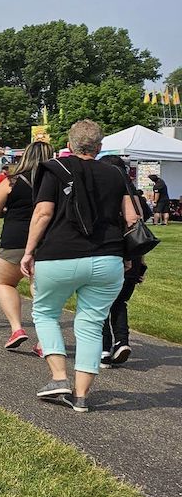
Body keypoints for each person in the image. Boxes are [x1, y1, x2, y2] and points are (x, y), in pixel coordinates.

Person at [21, 120, 140, 413]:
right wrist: (129, 256)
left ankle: (59, 377)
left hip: (60, 254)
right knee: (90, 324)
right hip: (108, 258)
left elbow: (43, 212)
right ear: (99, 147)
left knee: (46, 312)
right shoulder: (115, 174)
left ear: (70, 144)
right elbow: (132, 218)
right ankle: (82, 396)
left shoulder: (55, 169)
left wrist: (28, 251)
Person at [0, 140, 53, 350]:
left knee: (5, 283)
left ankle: (17, 328)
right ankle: (45, 340)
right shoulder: (55, 181)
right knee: (43, 293)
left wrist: (8, 210)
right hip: (47, 241)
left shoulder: (11, 182)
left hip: (15, 240)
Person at [100, 155, 146, 367]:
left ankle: (103, 349)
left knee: (99, 304)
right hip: (132, 255)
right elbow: (139, 232)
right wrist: (140, 262)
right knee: (120, 302)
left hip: (108, 252)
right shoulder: (135, 197)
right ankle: (122, 341)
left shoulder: (101, 195)